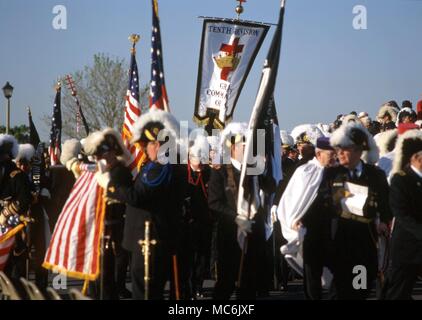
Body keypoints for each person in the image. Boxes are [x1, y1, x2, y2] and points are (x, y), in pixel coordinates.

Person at [95, 108, 180, 300]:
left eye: (147, 144)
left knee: (145, 292)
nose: (143, 149)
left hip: (149, 240)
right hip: (143, 239)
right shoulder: (152, 167)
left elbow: (137, 196)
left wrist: (110, 186)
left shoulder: (159, 169)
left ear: (157, 144)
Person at [323, 121, 392, 299]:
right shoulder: (331, 174)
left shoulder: (376, 175)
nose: (340, 153)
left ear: (358, 150)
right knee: (337, 292)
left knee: (359, 290)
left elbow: (386, 204)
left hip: (364, 244)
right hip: (338, 243)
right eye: (338, 149)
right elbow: (322, 203)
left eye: (345, 149)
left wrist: (384, 222)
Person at [277, 137, 337, 299]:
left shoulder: (338, 172)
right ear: (318, 154)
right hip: (311, 230)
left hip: (333, 229)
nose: (334, 157)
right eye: (330, 154)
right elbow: (292, 199)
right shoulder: (305, 171)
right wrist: (294, 219)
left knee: (338, 271)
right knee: (312, 272)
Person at [82, 129, 133, 299]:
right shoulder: (101, 171)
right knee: (97, 279)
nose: (97, 158)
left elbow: (116, 197)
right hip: (99, 228)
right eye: (96, 154)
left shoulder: (120, 172)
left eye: (101, 153)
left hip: (114, 229)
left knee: (107, 277)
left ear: (112, 152)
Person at [382, 129, 422, 300]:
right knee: (397, 293)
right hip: (407, 248)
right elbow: (401, 213)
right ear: (415, 157)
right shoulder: (400, 179)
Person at [0, 135, 32, 294]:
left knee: (15, 268)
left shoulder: (17, 175)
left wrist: (6, 212)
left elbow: (25, 199)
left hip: (14, 226)